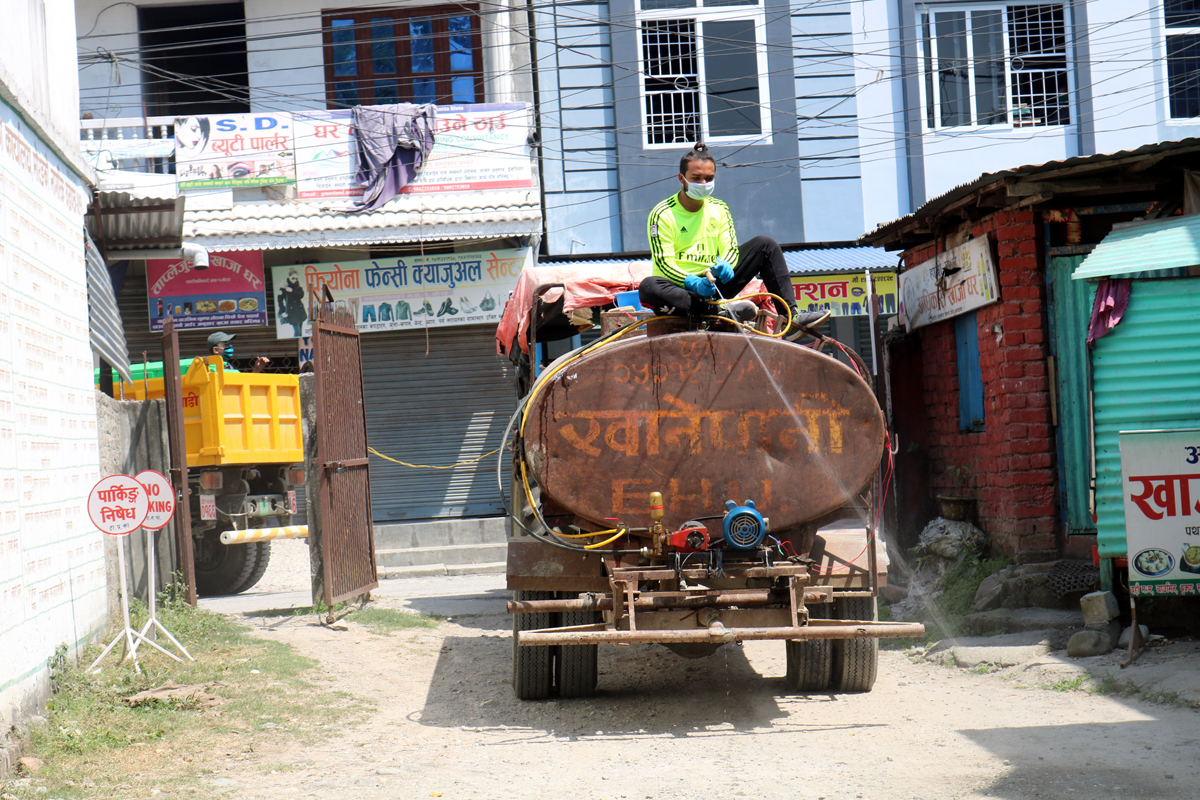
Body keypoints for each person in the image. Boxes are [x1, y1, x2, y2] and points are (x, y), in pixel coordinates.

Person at [639, 142, 830, 338]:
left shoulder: (719, 208)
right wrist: (692, 281)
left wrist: (726, 265)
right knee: (648, 287)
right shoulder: (662, 213)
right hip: (681, 291)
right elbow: (664, 263)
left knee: (766, 245)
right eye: (696, 178)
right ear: (681, 178)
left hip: (713, 285)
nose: (703, 184)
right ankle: (718, 312)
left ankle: (791, 318)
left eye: (709, 178)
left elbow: (730, 249)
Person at [277, 268, 307, 338]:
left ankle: (300, 345)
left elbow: (301, 295)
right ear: (289, 277)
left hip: (299, 311)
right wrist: (283, 311)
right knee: (297, 331)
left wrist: (292, 291)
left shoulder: (298, 285)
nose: (294, 280)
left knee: (300, 332)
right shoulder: (284, 286)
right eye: (293, 278)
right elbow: (280, 300)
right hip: (291, 312)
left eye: (296, 278)